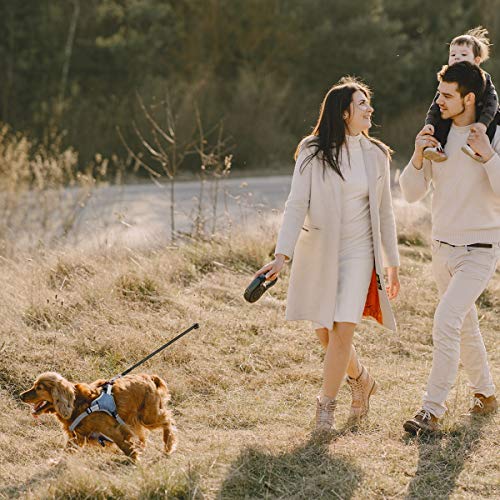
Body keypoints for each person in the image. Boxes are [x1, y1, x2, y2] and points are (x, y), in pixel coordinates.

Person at [254, 77, 400, 433]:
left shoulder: (376, 155)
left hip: (359, 252)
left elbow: (385, 211)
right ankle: (362, 379)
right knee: (325, 333)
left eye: (368, 102)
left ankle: (325, 407)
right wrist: (281, 255)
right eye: (362, 103)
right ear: (344, 111)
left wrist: (391, 262)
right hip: (318, 249)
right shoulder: (312, 150)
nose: (370, 109)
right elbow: (295, 204)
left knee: (342, 330)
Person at [400, 61, 500, 435]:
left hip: (480, 250)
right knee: (465, 325)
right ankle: (487, 393)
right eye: (438, 93)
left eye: (447, 95)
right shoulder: (436, 134)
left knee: (446, 321)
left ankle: (432, 410)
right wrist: (416, 154)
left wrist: (489, 155)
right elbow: (410, 194)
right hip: (441, 249)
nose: (438, 101)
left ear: (469, 98)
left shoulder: (495, 133)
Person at [423, 26, 499, 163]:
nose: (457, 58)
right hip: (457, 114)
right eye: (453, 55)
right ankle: (437, 147)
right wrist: (430, 124)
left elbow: (492, 102)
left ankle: (477, 147)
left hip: (485, 114)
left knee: (493, 122)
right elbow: (435, 105)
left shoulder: (484, 79)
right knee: (443, 117)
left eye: (463, 55)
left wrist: (483, 123)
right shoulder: (447, 79)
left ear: (476, 61)